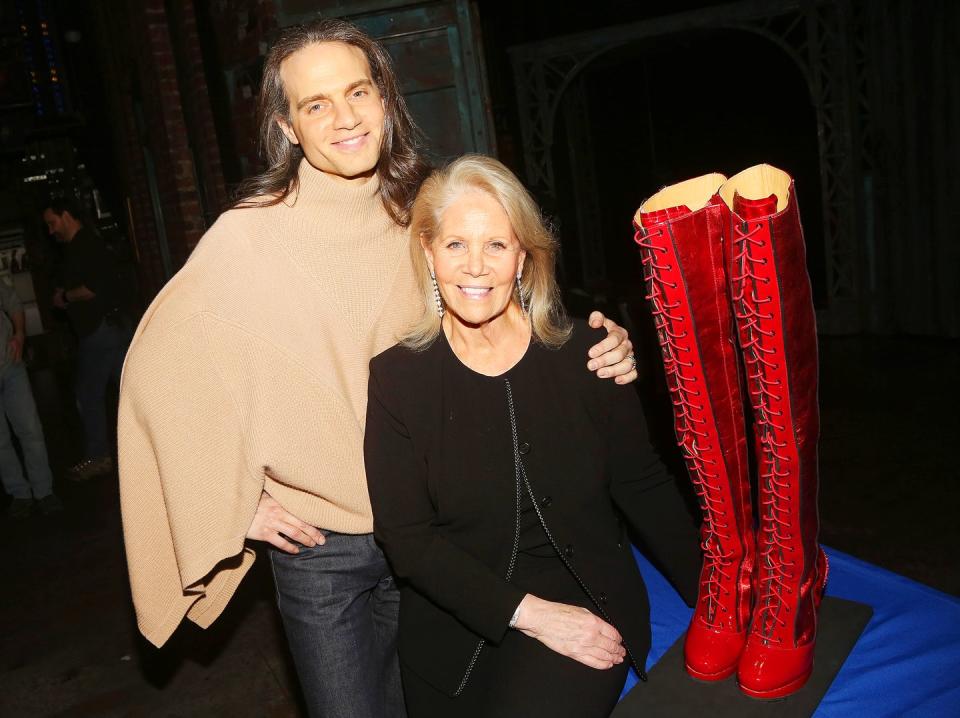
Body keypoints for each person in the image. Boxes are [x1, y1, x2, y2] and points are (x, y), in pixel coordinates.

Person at [117, 18, 637, 718]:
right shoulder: (248, 237)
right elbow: (154, 372)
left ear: (385, 99)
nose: (344, 118)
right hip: (323, 552)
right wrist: (232, 500)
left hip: (438, 531)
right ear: (288, 128)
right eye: (316, 104)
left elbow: (501, 297)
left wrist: (595, 343)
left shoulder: (419, 210)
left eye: (357, 92)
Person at [364, 155, 702, 718]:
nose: (476, 267)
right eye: (455, 246)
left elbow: (643, 484)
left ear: (523, 256)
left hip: (582, 603)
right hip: (453, 623)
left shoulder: (587, 355)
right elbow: (407, 541)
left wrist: (716, 597)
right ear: (428, 253)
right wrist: (531, 614)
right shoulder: (398, 379)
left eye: (496, 245)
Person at [43, 198, 127, 481]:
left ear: (65, 215)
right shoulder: (81, 246)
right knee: (128, 390)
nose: (51, 231)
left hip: (98, 331)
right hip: (107, 329)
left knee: (87, 395)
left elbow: (93, 287)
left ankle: (98, 457)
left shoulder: (86, 244)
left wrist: (65, 296)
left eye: (52, 223)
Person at [0, 279, 61, 518]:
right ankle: (20, 494)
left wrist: (20, 335)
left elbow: (13, 303)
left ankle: (44, 491)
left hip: (11, 366)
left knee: (30, 429)